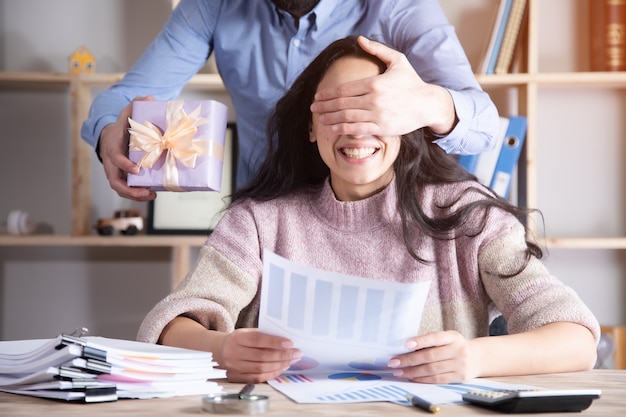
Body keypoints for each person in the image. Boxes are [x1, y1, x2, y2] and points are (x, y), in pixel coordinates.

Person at [137, 36, 600, 385]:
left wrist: (475, 358)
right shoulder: (259, 222)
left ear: (406, 122)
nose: (356, 131)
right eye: (336, 112)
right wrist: (221, 347)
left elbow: (577, 338)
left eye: (373, 110)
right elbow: (168, 327)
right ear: (311, 129)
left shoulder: (468, 218)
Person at [81, 0, 500, 201]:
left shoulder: (399, 7)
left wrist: (427, 105)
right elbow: (125, 97)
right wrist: (108, 132)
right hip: (261, 224)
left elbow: (484, 125)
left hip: (379, 224)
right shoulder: (213, 6)